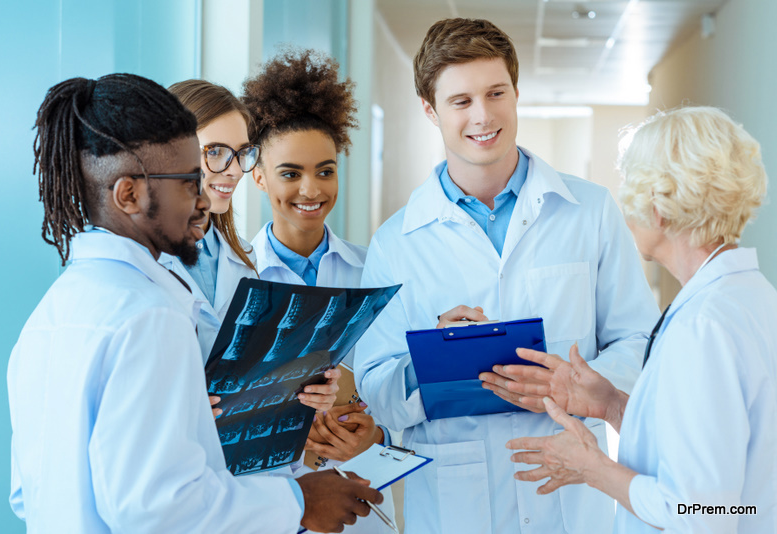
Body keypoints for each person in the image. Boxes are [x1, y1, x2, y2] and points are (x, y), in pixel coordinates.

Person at [7, 73, 382, 533]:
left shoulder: (52, 313)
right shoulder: (150, 313)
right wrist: (297, 502)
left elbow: (27, 492)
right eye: (190, 180)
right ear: (129, 193)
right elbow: (159, 508)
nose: (203, 196)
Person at [353, 18, 659, 534]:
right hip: (456, 507)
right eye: (460, 101)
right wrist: (430, 356)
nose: (483, 115)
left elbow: (639, 338)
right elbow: (376, 387)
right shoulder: (395, 241)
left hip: (571, 497)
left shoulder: (588, 210)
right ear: (430, 110)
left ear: (517, 92)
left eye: (496, 93)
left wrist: (584, 385)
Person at [498, 106, 777, 533]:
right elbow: (713, 452)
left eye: (630, 187)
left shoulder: (702, 327)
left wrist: (592, 468)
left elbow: (703, 513)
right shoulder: (750, 298)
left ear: (658, 206)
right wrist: (612, 404)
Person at [243, 49, 396, 534]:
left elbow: (393, 393)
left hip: (361, 501)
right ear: (259, 176)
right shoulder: (235, 281)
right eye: (290, 173)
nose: (311, 189)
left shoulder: (372, 270)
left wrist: (375, 430)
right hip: (271, 507)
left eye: (325, 170)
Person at [162, 79, 339, 416]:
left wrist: (309, 390)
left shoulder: (242, 258)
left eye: (242, 154)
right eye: (214, 152)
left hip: (231, 461)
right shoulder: (144, 260)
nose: (233, 171)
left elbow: (247, 380)